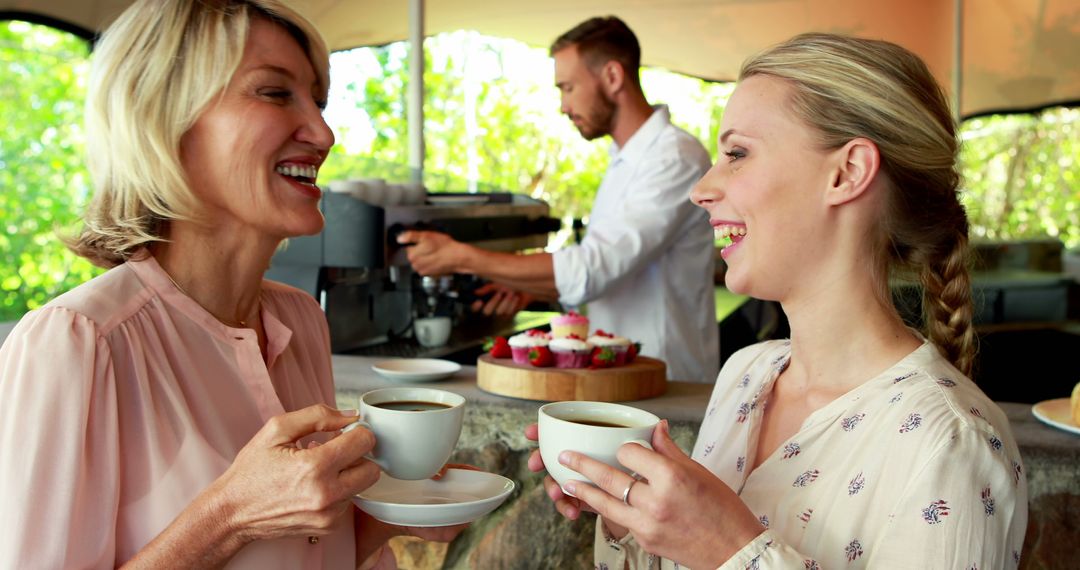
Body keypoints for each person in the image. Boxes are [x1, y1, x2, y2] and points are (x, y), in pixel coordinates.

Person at [527, 33, 1028, 568]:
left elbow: (723, 554)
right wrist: (635, 519)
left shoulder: (953, 443)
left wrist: (729, 549)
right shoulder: (745, 374)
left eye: (737, 154)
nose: (702, 188)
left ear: (848, 172)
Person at [0, 1, 463, 567]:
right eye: (274, 93)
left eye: (318, 101)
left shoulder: (300, 321)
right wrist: (230, 516)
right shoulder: (80, 341)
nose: (323, 133)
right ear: (164, 117)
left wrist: (392, 514)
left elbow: (308, 554)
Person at [399, 16, 719, 382]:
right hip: (624, 376)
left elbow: (592, 269)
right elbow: (609, 275)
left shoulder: (673, 157)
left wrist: (461, 257)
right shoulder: (626, 160)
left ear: (613, 77)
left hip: (667, 378)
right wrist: (524, 283)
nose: (563, 106)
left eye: (567, 87)